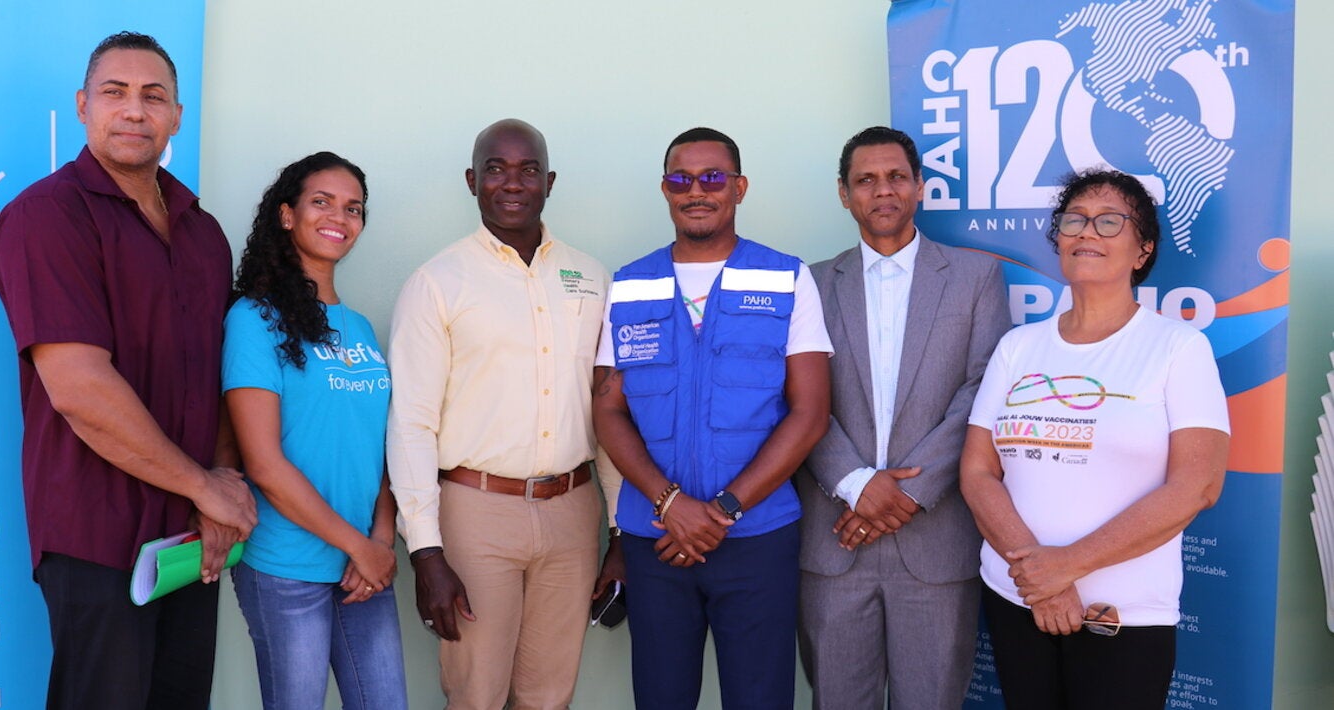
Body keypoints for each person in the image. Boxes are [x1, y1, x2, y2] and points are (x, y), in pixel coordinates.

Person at [0, 31, 256, 709]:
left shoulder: (203, 233)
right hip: (96, 535)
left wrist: (219, 490)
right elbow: (80, 389)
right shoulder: (45, 218)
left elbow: (220, 376)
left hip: (189, 536)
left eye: (153, 96)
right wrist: (206, 487)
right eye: (115, 92)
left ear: (176, 117)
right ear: (83, 106)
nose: (135, 109)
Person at [959, 168, 1230, 709]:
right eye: (1074, 220)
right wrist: (1042, 578)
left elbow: (1199, 486)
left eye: (1109, 221)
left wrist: (1068, 566)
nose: (1086, 231)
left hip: (1122, 615)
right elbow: (978, 471)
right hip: (1017, 597)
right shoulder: (1018, 346)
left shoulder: (1178, 347)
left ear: (1143, 249)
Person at [593, 127, 832, 709]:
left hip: (756, 538)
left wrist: (722, 511)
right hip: (656, 539)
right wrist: (670, 504)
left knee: (760, 698)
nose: (696, 191)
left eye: (712, 178)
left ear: (739, 188)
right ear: (665, 189)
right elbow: (608, 409)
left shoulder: (785, 277)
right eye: (681, 180)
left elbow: (810, 413)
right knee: (661, 697)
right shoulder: (630, 285)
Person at [387, 118, 608, 709]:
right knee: (476, 694)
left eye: (528, 169)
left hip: (573, 511)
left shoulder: (592, 278)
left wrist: (619, 532)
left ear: (550, 182)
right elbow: (411, 424)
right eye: (495, 169)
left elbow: (608, 407)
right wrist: (425, 550)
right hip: (475, 514)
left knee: (548, 696)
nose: (512, 183)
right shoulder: (437, 283)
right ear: (472, 180)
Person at [796, 126, 1010, 709]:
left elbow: (984, 391)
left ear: (919, 185)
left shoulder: (976, 277)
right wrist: (856, 483)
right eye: (866, 180)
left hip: (936, 541)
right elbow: (797, 397)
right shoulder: (809, 284)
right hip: (835, 540)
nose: (883, 190)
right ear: (844, 193)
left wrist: (906, 495)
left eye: (896, 177)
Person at [222, 152, 407, 709]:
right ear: (287, 215)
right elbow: (264, 464)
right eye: (321, 202)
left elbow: (378, 449)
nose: (339, 217)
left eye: (353, 208)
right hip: (287, 568)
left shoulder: (361, 328)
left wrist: (380, 540)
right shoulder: (254, 320)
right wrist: (360, 545)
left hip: (362, 568)